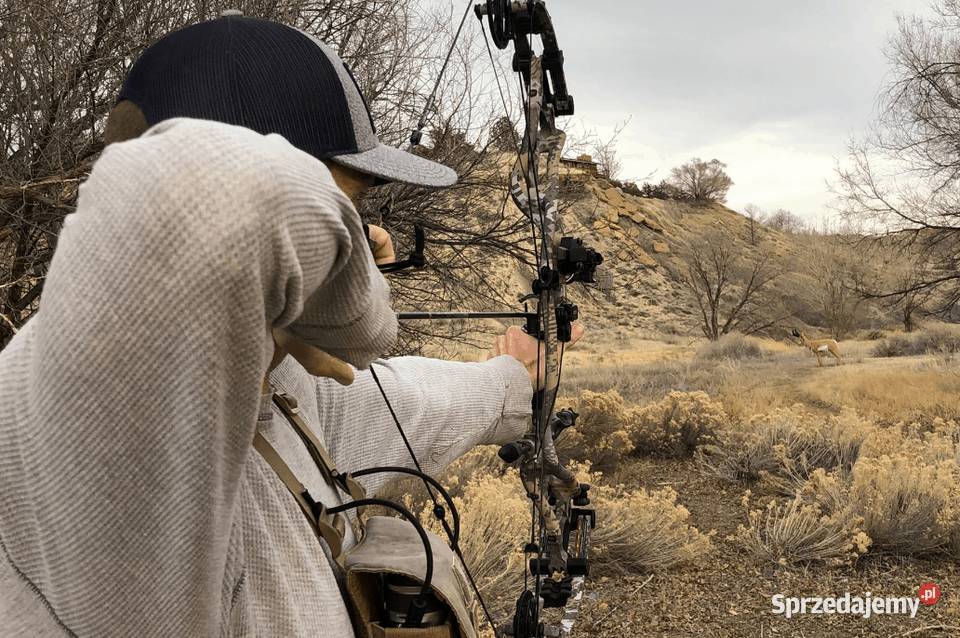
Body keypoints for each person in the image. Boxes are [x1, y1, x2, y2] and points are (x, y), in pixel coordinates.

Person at [0, 13, 581, 638]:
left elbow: (395, 404)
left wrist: (513, 380)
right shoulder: (76, 411)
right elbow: (198, 199)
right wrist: (356, 312)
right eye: (344, 201)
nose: (365, 237)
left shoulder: (280, 389)